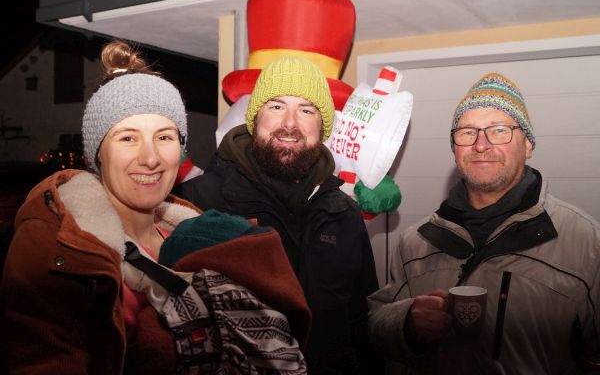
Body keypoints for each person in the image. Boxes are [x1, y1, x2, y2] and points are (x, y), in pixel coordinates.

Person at [0, 41, 309, 375]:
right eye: (128, 138)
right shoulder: (54, 244)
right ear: (98, 153)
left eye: (164, 137)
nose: (150, 158)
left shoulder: (197, 233)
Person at [368, 73, 600, 374]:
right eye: (467, 132)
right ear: (454, 148)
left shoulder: (586, 242)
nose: (481, 145)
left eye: (499, 130)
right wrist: (406, 322)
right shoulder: (415, 243)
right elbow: (375, 324)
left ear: (528, 145)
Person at [175, 56, 382, 374]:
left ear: (322, 127)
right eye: (276, 106)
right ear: (255, 118)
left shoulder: (344, 213)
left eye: (306, 110)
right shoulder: (199, 202)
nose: (290, 123)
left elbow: (361, 326)